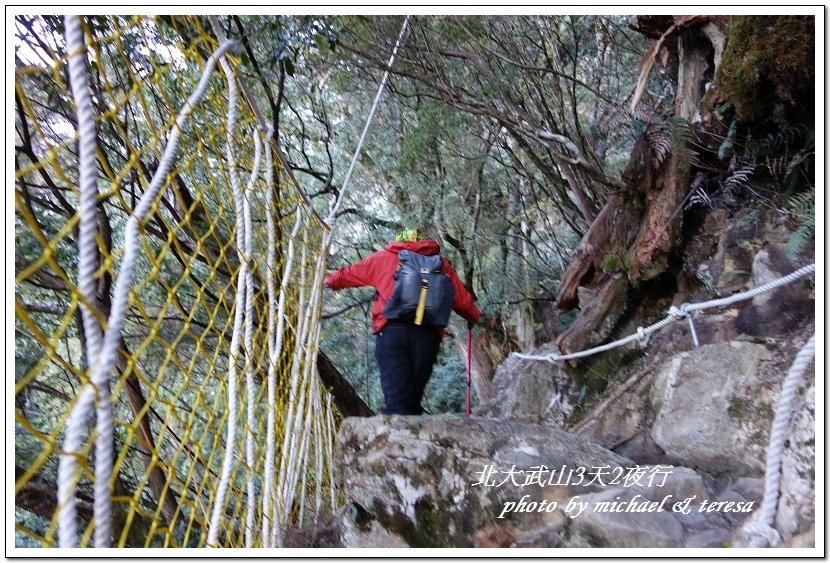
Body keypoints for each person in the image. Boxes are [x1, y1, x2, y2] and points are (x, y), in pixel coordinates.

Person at [325, 229, 481, 415]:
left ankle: (396, 438)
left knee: (397, 402)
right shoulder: (440, 264)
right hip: (428, 336)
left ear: (397, 241)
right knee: (412, 401)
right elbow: (462, 301)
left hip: (392, 332)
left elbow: (349, 274)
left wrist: (329, 281)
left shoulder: (383, 258)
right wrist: (473, 317)